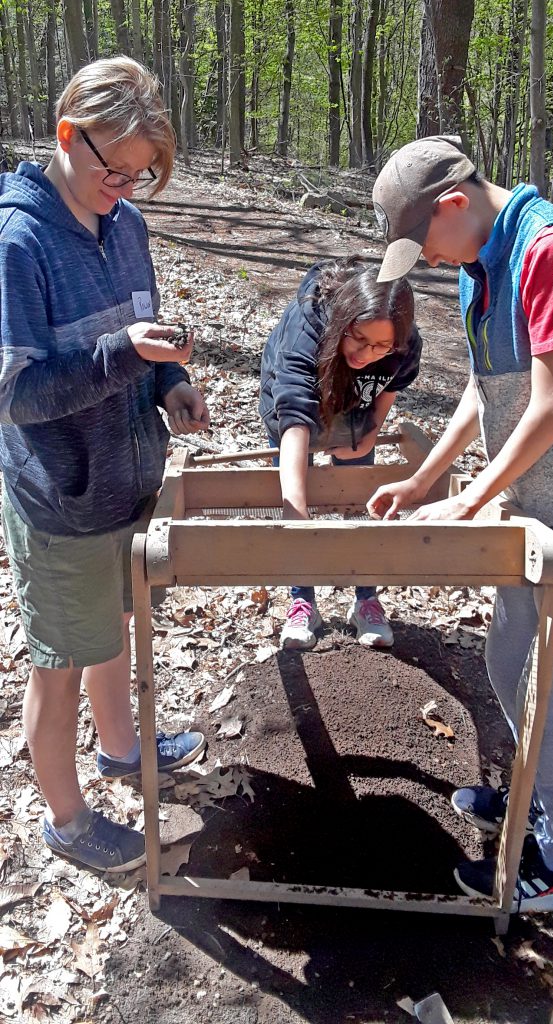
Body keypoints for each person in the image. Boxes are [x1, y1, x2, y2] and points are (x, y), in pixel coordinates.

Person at [367, 135, 553, 913]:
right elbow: (481, 393)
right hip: (528, 508)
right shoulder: (477, 268)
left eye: (421, 241)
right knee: (507, 664)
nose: (425, 260)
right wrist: (422, 478)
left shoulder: (551, 248)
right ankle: (534, 795)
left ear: (455, 205)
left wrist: (467, 502)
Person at [0, 57, 211, 875]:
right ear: (66, 136)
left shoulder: (125, 226)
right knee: (58, 665)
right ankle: (68, 821)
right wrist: (124, 356)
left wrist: (171, 382)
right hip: (61, 498)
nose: (122, 187)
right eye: (112, 169)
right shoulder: (19, 241)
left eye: (138, 175)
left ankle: (122, 749)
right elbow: (15, 392)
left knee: (117, 626)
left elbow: (142, 329)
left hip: (131, 480)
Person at [259, 257, 422, 650]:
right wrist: (295, 515)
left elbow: (393, 382)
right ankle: (302, 600)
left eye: (381, 345)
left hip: (353, 406)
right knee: (298, 497)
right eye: (359, 339)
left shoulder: (404, 343)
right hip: (292, 409)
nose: (368, 353)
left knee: (356, 495)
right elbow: (294, 414)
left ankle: (365, 598)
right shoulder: (308, 326)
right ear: (342, 323)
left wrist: (371, 433)